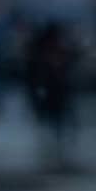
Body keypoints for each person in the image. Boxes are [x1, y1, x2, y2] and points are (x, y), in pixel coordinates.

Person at [23, 20, 78, 167]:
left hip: (56, 91)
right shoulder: (41, 52)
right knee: (54, 120)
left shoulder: (59, 50)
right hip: (50, 91)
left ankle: (58, 148)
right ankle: (54, 148)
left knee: (59, 120)